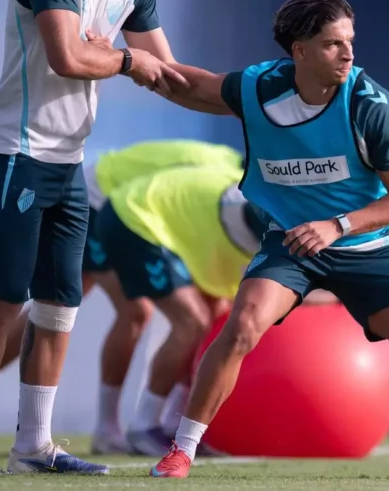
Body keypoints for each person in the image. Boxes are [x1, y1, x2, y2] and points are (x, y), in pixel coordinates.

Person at [146, 0, 389, 479]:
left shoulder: (372, 107)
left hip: (366, 246)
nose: (348, 54)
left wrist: (337, 226)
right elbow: (193, 87)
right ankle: (182, 449)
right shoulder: (259, 88)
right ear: (300, 51)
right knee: (240, 328)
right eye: (332, 44)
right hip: (291, 243)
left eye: (350, 41)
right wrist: (129, 63)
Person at [0, 0, 187, 476]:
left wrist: (252, 100)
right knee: (7, 296)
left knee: (59, 305)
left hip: (69, 159)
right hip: (14, 150)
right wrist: (125, 60)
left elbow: (168, 73)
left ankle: (33, 447)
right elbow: (67, 56)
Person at [0, 139, 243, 454]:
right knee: (132, 311)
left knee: (53, 309)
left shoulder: (227, 166)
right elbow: (154, 200)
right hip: (102, 203)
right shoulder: (221, 175)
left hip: (114, 202)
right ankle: (110, 427)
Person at [94, 163, 270, 456]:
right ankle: (145, 426)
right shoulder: (227, 235)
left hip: (156, 216)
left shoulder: (242, 203)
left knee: (213, 316)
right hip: (133, 217)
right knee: (192, 322)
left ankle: (176, 425)